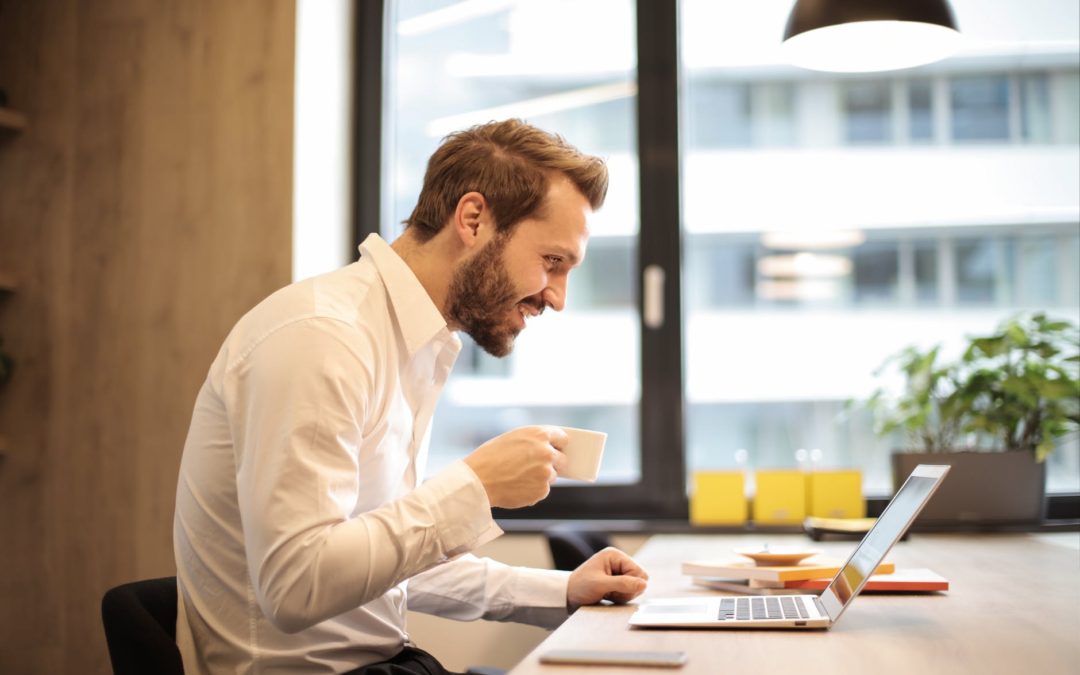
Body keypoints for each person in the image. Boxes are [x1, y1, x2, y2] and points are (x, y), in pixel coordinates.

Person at [173, 119, 649, 674]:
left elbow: (383, 562)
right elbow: (295, 586)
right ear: (472, 219)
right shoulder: (322, 337)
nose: (557, 298)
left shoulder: (415, 344)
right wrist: (474, 487)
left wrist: (564, 589)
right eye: (552, 262)